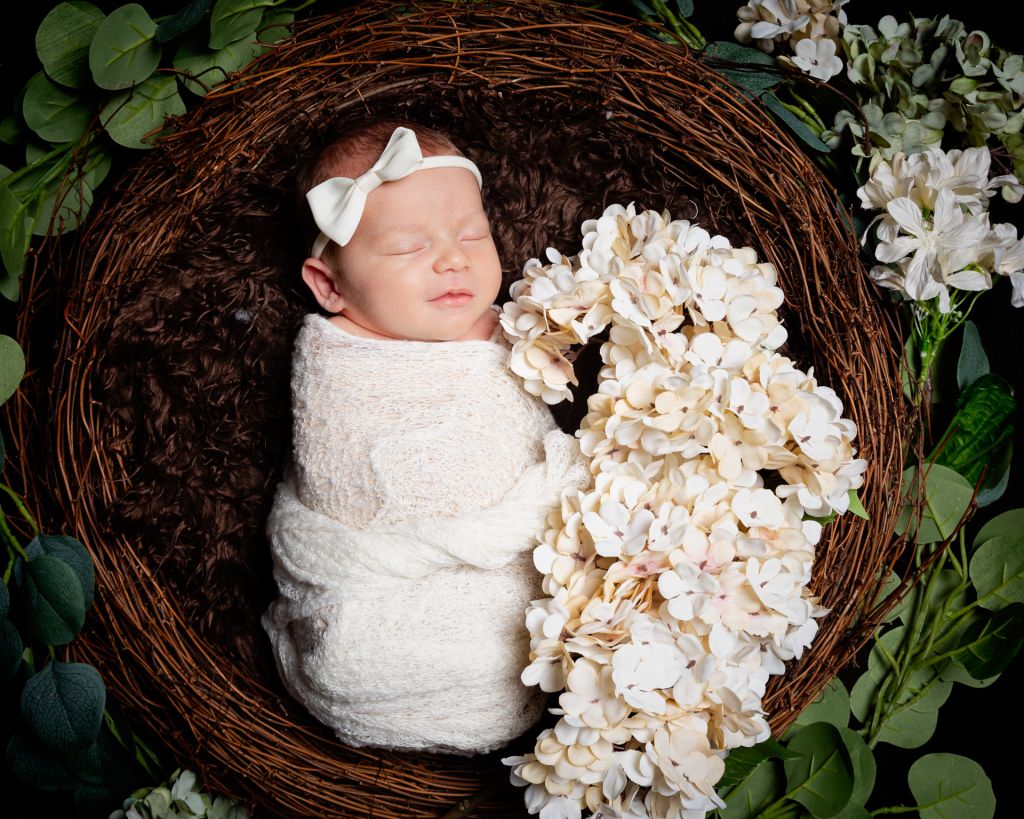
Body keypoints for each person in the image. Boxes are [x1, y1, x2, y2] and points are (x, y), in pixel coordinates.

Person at [262, 122, 589, 755]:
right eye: (409, 247)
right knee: (352, 654)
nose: (453, 259)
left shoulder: (517, 324)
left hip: (520, 618)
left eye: (473, 235)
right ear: (329, 286)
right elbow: (353, 476)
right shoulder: (340, 367)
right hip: (381, 608)